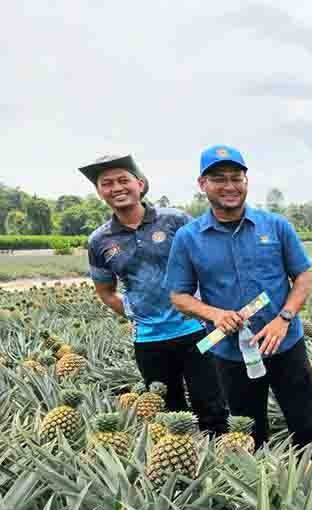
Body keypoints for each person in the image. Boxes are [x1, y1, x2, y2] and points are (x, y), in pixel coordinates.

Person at [164, 145, 312, 452]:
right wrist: (214, 315)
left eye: (236, 178)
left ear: (246, 181)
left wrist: (284, 318)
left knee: (306, 425)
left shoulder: (276, 225)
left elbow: (302, 277)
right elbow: (179, 296)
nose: (229, 186)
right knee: (248, 431)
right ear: (202, 184)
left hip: (285, 344)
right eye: (219, 179)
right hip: (230, 353)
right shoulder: (188, 237)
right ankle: (261, 489)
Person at [81, 153, 228, 435]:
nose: (117, 188)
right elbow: (106, 291)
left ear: (140, 184)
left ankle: (221, 467)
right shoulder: (99, 240)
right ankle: (185, 472)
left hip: (196, 330)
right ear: (100, 192)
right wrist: (138, 315)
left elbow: (209, 260)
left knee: (212, 404)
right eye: (107, 183)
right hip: (149, 340)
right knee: (169, 412)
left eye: (123, 180)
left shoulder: (174, 220)